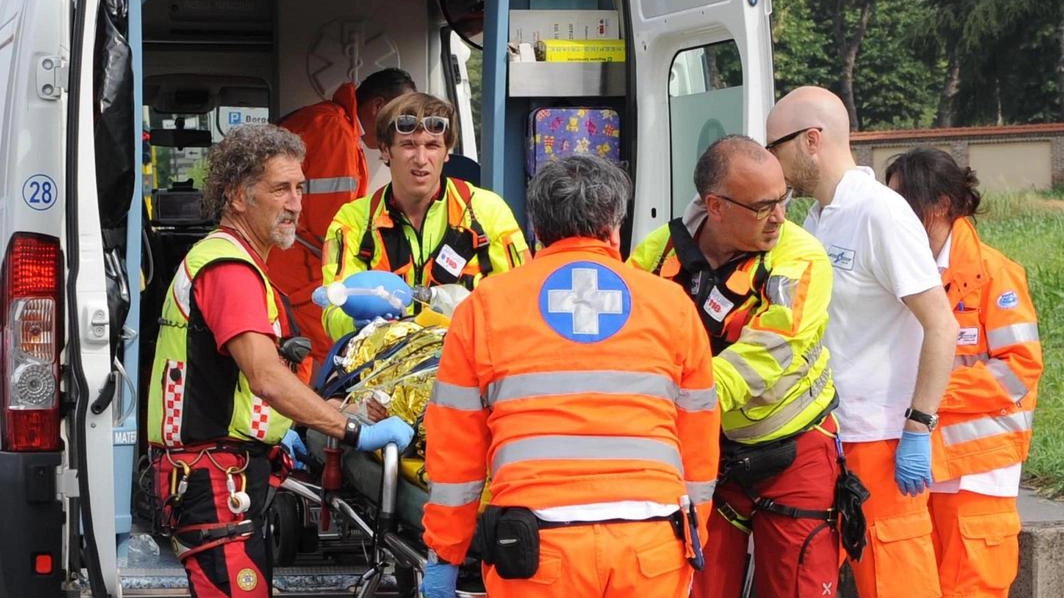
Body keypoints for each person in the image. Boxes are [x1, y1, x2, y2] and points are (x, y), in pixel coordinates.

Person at [420, 155, 720, 598]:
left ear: (536, 228)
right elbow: (697, 444)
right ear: (615, 227)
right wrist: (692, 534)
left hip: (537, 548)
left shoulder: (485, 306)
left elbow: (455, 453)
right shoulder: (671, 305)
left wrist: (445, 554)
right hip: (652, 543)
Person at [146, 124, 414, 598]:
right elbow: (267, 377)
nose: (295, 204)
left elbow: (252, 385)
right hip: (215, 481)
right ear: (236, 197)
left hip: (225, 477)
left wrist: (302, 420)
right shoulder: (229, 270)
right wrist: (351, 429)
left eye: (300, 189)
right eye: (280, 190)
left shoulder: (235, 262)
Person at [629, 135, 844, 598]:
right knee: (695, 584)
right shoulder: (658, 254)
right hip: (703, 453)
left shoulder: (800, 257)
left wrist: (676, 404)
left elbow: (768, 351)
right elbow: (625, 340)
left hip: (793, 450)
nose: (780, 216)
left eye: (783, 198)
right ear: (716, 206)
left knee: (800, 584)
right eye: (764, 206)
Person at [766, 86, 959, 598]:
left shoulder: (880, 214)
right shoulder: (817, 219)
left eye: (774, 148)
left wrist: (918, 425)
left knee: (897, 581)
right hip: (830, 436)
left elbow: (942, 325)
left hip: (881, 438)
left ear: (811, 141)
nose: (770, 163)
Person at [885, 147, 1042, 598]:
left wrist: (928, 398)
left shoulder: (994, 275)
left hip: (977, 474)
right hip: (915, 467)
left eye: (901, 202)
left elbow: (1019, 368)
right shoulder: (899, 271)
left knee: (972, 588)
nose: (890, 213)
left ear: (940, 206)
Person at [321, 92, 530, 341]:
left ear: (446, 152)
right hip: (382, 368)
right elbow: (331, 311)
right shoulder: (352, 221)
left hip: (469, 363)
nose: (421, 160)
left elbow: (522, 300)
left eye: (432, 146)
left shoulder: (488, 211)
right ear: (386, 151)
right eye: (408, 145)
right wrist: (361, 322)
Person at [269, 69, 417, 371]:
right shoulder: (334, 131)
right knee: (330, 356)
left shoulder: (334, 126)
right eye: (399, 120)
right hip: (298, 275)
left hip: (290, 266)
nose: (402, 133)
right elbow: (334, 226)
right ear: (378, 107)